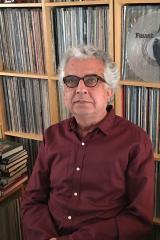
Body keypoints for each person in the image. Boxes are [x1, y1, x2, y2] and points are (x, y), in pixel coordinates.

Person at [21, 45, 154, 240]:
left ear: (109, 91)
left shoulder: (135, 141)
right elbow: (32, 200)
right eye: (71, 81)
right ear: (64, 90)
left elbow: (139, 219)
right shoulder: (52, 136)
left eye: (92, 80)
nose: (80, 89)